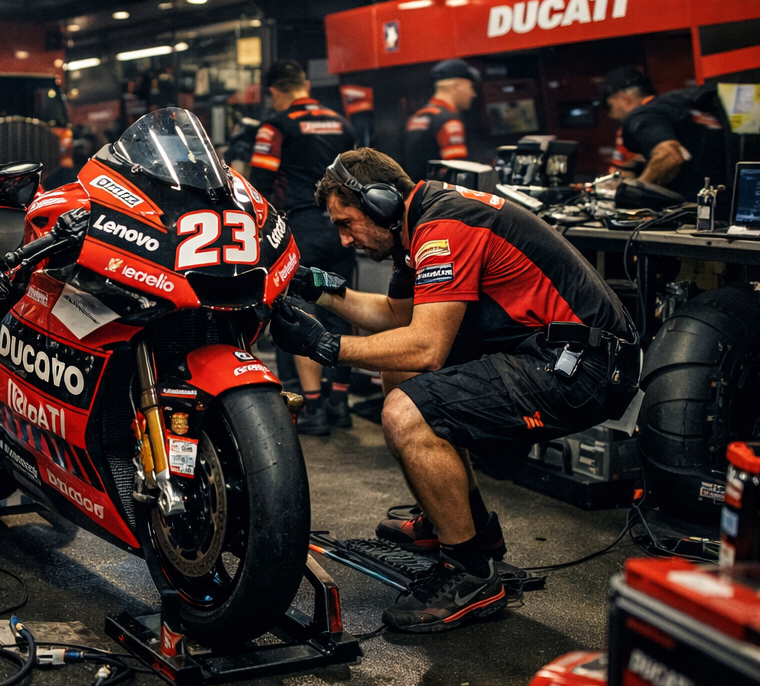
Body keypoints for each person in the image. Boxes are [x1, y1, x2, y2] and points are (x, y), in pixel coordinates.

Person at [270, 148, 639, 632]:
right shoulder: (417, 225)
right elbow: (395, 318)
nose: (343, 237)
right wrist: (314, 288)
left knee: (406, 412)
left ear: (380, 203)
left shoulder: (445, 227)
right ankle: (474, 528)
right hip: (552, 355)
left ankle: (469, 574)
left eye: (347, 222)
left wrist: (326, 346)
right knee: (397, 375)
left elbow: (426, 347)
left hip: (581, 370)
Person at [247, 60, 358, 435]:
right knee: (341, 310)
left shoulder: (276, 124)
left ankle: (311, 409)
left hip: (299, 228)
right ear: (305, 85)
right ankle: (340, 406)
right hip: (342, 227)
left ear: (275, 91)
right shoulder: (341, 123)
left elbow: (258, 183)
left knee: (297, 313)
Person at [602, 67, 727, 198]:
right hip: (731, 199)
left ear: (623, 98)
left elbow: (669, 156)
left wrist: (635, 195)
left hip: (693, 208)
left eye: (609, 106)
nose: (611, 114)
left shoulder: (639, 116)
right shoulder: (678, 104)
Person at [400, 58, 479, 183]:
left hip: (418, 192)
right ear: (457, 86)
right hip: (440, 195)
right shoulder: (449, 121)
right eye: (470, 87)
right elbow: (458, 172)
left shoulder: (417, 117)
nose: (473, 94)